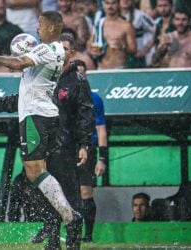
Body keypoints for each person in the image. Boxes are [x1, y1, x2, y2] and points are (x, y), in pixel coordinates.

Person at [0, 12, 88, 250]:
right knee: (39, 176)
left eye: (41, 24)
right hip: (41, 117)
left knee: (36, 174)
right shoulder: (45, 53)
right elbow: (25, 91)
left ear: (53, 27)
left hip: (38, 118)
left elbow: (17, 63)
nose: (37, 28)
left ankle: (71, 218)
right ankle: (64, 227)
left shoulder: (50, 49)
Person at [74, 59, 107, 242]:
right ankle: (61, 231)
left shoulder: (95, 99)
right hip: (69, 148)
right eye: (76, 73)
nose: (79, 77)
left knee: (85, 192)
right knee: (65, 192)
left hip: (88, 148)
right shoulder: (66, 97)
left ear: (86, 74)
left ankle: (88, 235)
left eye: (82, 73)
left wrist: (102, 158)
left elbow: (101, 129)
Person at [87, 0, 136, 69]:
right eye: (107, 3)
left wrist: (122, 46)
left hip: (119, 67)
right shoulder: (98, 24)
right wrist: (92, 50)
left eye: (113, 3)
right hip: (101, 68)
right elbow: (89, 44)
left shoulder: (126, 26)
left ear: (118, 5)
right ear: (103, 5)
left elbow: (134, 50)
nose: (110, 6)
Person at [120, 0, 156, 68]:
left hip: (136, 58)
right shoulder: (113, 16)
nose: (125, 0)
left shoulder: (140, 15)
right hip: (119, 59)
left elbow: (156, 30)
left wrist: (145, 50)